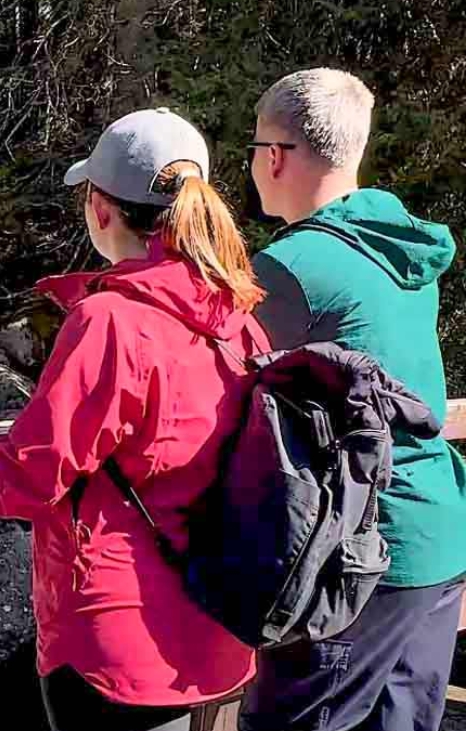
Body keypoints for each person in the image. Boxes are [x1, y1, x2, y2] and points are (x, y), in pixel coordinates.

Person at [0, 108, 265, 731]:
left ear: (101, 209)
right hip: (217, 622)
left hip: (119, 638)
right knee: (7, 703)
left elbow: (23, 480)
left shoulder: (111, 322)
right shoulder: (236, 314)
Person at [239, 67, 466, 731]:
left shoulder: (291, 267)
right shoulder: (401, 244)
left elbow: (213, 383)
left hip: (365, 553)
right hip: (440, 536)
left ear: (274, 157)